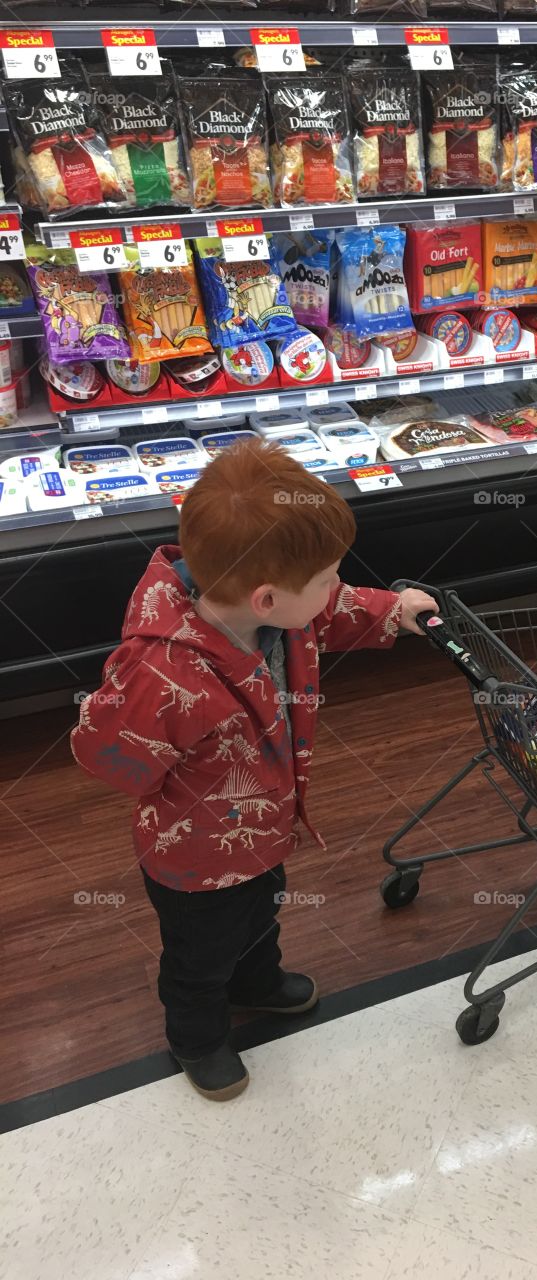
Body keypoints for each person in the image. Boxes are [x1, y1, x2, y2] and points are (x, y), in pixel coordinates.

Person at [71, 439, 437, 1101]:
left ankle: (256, 982)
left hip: (266, 825)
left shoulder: (279, 614)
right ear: (266, 598)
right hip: (193, 855)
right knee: (200, 953)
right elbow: (106, 754)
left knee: (261, 915)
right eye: (327, 576)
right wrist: (149, 745)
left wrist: (392, 609)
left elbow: (333, 611)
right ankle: (197, 1036)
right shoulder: (161, 672)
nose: (334, 586)